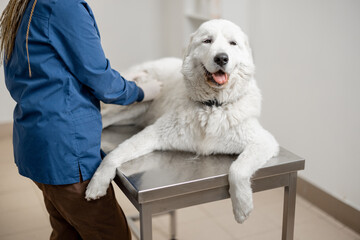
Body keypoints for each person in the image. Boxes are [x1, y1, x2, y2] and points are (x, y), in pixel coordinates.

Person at [0, 0, 161, 239]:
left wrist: (115, 86)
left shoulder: (24, 6)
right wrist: (140, 91)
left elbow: (49, 76)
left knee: (68, 232)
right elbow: (100, 80)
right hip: (66, 151)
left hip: (38, 144)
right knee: (111, 234)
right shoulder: (62, 5)